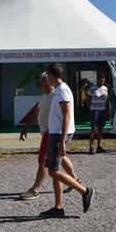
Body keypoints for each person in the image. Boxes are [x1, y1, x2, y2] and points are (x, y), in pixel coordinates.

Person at [40, 64, 93, 217]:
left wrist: (62, 141)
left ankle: (85, 191)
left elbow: (67, 115)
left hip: (58, 135)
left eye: (46, 76)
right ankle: (58, 207)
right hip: (55, 134)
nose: (45, 79)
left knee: (53, 171)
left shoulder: (62, 90)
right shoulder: (59, 90)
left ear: (51, 75)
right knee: (55, 170)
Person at [18, 74, 78, 200]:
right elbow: (36, 115)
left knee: (43, 160)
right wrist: (25, 128)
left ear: (49, 81)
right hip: (47, 132)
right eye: (41, 81)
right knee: (62, 157)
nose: (43, 83)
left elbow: (65, 114)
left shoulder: (56, 95)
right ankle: (75, 180)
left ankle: (36, 189)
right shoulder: (44, 96)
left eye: (45, 81)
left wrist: (61, 137)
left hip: (52, 132)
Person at [87, 75, 109, 154]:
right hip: (94, 111)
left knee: (101, 129)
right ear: (98, 80)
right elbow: (88, 98)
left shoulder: (105, 88)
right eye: (101, 79)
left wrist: (107, 112)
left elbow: (106, 101)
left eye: (103, 80)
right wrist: (90, 108)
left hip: (102, 111)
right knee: (93, 129)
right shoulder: (92, 88)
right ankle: (91, 147)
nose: (102, 81)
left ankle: (98, 146)